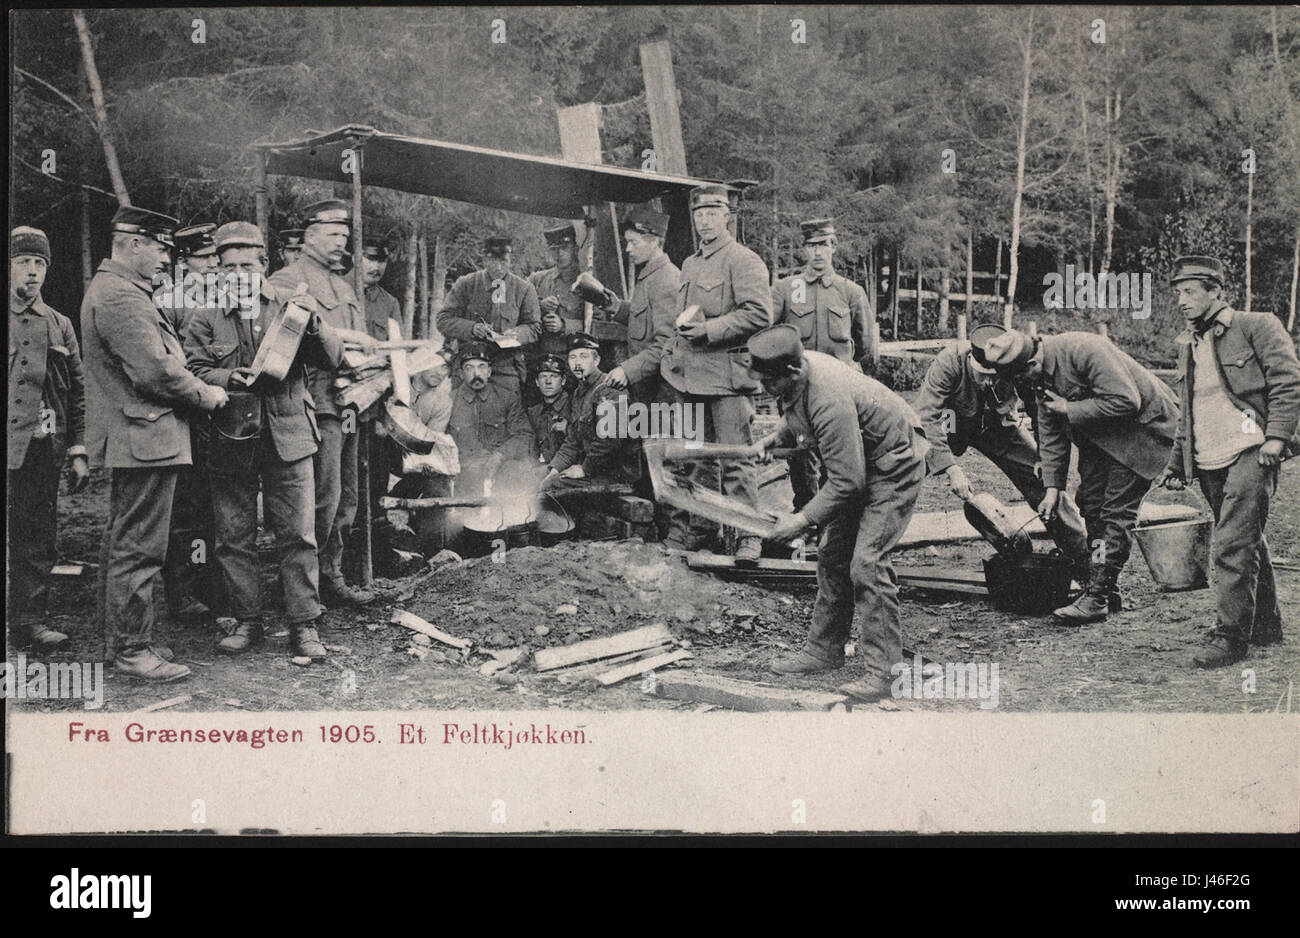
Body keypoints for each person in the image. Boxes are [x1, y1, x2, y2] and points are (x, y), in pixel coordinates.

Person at [184, 221, 344, 661]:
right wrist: (226, 377)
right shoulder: (206, 316)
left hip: (289, 436)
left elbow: (334, 358)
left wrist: (314, 323)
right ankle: (247, 620)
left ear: (263, 266)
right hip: (231, 438)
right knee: (234, 536)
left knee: (298, 535)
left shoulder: (291, 309)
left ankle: (304, 624)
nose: (238, 273)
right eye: (229, 265)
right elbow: (192, 370)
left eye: (247, 264)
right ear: (217, 268)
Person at [81, 206, 229, 681]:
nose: (167, 257)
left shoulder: (120, 291)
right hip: (145, 434)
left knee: (125, 541)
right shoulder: (122, 297)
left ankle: (123, 640)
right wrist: (207, 395)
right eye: (161, 247)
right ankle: (131, 649)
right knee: (140, 547)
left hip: (140, 434)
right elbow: (158, 372)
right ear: (133, 243)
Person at [749, 324, 928, 703]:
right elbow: (798, 411)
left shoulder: (828, 397)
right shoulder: (801, 369)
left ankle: (885, 674)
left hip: (895, 463)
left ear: (792, 371)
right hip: (862, 462)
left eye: (769, 383)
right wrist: (777, 437)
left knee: (867, 562)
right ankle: (824, 650)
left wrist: (799, 520)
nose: (764, 390)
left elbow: (848, 483)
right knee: (832, 555)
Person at [1154, 256, 1300, 667]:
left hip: (1253, 450)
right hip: (1209, 457)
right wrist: (1176, 463)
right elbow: (1189, 411)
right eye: (1177, 293)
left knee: (1232, 544)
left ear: (1216, 291)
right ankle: (1265, 626)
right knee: (1247, 539)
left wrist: (1277, 437)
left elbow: (1287, 382)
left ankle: (1229, 638)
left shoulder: (1258, 325)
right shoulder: (1190, 344)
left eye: (1189, 292)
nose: (1181, 301)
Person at [982, 327, 1179, 624]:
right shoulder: (1036, 377)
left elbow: (1127, 400)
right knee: (1090, 505)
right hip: (1103, 436)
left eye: (1021, 380)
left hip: (1144, 431)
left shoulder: (1085, 349)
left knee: (1115, 512)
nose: (1023, 389)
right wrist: (1051, 489)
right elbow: (1050, 432)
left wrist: (1069, 407)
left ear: (1032, 365)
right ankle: (1103, 587)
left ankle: (1097, 596)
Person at [268, 199, 378, 607]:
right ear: (309, 235)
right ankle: (301, 587)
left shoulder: (345, 286)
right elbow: (288, 342)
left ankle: (332, 573)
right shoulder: (287, 280)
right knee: (321, 499)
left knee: (347, 498)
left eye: (345, 236)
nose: (340, 243)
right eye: (332, 235)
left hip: (351, 404)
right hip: (316, 405)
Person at [914, 321, 1088, 568]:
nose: (988, 383)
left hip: (998, 427)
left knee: (1042, 479)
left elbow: (1040, 415)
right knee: (905, 465)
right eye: (982, 375)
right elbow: (926, 417)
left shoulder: (1016, 364)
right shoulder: (950, 360)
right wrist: (950, 469)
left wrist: (1044, 457)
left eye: (994, 377)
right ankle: (870, 552)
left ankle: (1082, 558)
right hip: (951, 424)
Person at [658, 184, 771, 559]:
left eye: (712, 212)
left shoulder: (744, 260)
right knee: (694, 459)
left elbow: (759, 313)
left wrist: (709, 330)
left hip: (726, 379)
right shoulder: (689, 264)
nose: (704, 221)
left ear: (727, 216)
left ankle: (747, 535)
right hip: (690, 378)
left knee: (736, 458)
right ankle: (697, 533)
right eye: (699, 214)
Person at [7, 226, 88, 650]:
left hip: (41, 448)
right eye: (23, 262)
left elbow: (77, 392)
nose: (33, 272)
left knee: (37, 537)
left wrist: (78, 448)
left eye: (40, 263)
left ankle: (28, 620)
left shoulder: (60, 324)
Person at [162, 220, 219, 622]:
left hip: (219, 414)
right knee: (186, 507)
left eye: (215, 256)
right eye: (203, 257)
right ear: (183, 261)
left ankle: (211, 586)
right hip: (184, 415)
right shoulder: (168, 300)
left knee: (218, 504)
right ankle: (182, 592)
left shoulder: (226, 297)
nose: (212, 264)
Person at [436, 234, 542, 397]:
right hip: (469, 362)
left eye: (503, 261)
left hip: (505, 365)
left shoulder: (524, 289)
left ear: (510, 260)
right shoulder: (466, 284)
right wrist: (472, 328)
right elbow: (443, 320)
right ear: (484, 260)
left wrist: (517, 333)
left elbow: (534, 327)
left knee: (507, 409)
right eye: (493, 261)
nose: (499, 267)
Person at [598, 207, 680, 405]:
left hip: (662, 392)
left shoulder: (666, 281)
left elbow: (667, 344)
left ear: (653, 241)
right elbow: (646, 319)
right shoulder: (651, 276)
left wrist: (627, 370)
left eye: (634, 242)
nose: (628, 249)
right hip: (647, 386)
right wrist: (617, 307)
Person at [541, 334, 640, 488]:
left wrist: (585, 468)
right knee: (539, 476)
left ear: (596, 360)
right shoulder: (579, 393)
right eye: (572, 358)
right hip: (594, 468)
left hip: (614, 472)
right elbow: (573, 440)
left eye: (583, 357)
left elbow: (610, 442)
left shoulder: (610, 389)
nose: (577, 363)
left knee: (554, 485)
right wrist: (555, 468)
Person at [446, 341, 533, 496]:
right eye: (469, 368)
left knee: (519, 473)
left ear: (490, 371)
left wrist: (500, 455)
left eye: (482, 367)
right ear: (460, 373)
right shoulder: (448, 402)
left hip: (499, 467)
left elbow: (523, 435)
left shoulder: (507, 398)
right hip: (463, 471)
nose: (476, 374)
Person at [528, 223, 586, 371]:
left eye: (564, 248)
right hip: (540, 360)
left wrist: (564, 326)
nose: (559, 254)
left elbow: (598, 323)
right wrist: (539, 307)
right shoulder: (537, 280)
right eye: (554, 249)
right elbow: (517, 311)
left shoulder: (586, 282)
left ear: (575, 248)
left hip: (573, 361)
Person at [527, 354, 573, 465]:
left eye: (554, 376)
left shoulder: (574, 407)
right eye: (543, 376)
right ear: (537, 382)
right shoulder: (533, 412)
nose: (548, 381)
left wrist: (569, 430)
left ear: (563, 380)